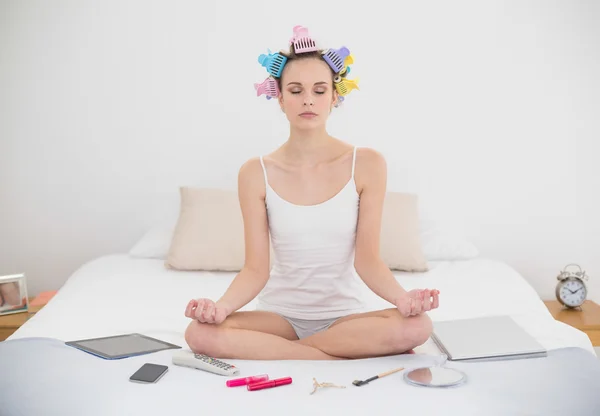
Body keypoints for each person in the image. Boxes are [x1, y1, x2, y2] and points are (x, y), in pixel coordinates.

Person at [184, 27, 440, 360]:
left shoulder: (367, 164)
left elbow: (368, 260)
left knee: (418, 327)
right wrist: (220, 308)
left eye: (319, 91)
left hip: (346, 317)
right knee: (198, 333)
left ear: (335, 97)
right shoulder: (254, 173)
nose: (308, 99)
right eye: (296, 90)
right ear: (280, 98)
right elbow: (255, 270)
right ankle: (329, 356)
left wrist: (403, 299)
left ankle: (288, 353)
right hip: (279, 317)